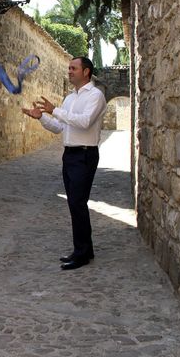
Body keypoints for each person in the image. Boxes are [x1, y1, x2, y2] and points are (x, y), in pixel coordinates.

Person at [22, 56, 106, 270]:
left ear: (86, 72)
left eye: (73, 68)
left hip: (85, 155)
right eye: (68, 68)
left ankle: (81, 254)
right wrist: (40, 117)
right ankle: (85, 250)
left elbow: (85, 122)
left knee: (78, 203)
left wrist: (55, 110)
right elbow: (60, 127)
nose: (69, 71)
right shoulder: (70, 99)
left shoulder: (96, 96)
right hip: (69, 155)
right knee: (74, 204)